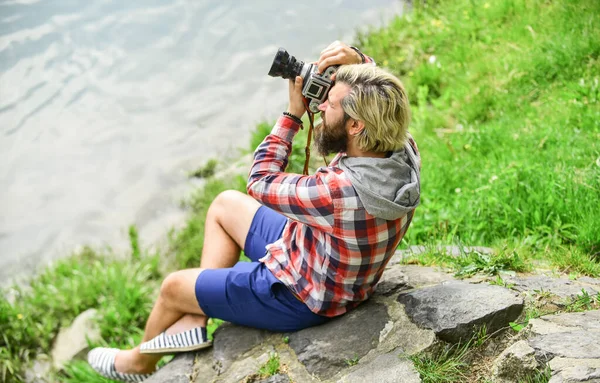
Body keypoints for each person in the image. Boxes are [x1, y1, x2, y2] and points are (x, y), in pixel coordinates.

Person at [88, 41, 420, 382]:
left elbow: (260, 181)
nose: (320, 106)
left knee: (172, 287)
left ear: (355, 127)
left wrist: (292, 114)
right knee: (223, 206)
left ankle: (138, 364)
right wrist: (361, 62)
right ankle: (196, 316)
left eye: (330, 104)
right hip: (319, 253)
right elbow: (384, 96)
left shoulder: (337, 192)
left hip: (302, 294)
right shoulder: (402, 150)